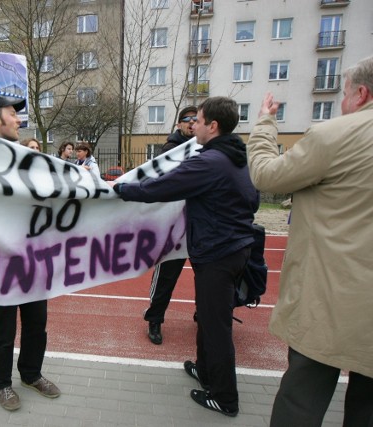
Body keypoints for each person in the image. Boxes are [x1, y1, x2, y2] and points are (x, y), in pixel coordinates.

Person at [109, 97, 258, 417]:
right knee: (207, 317)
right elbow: (253, 199)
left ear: (213, 126)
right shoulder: (235, 157)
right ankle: (205, 372)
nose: (194, 126)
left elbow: (161, 188)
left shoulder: (211, 162)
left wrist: (122, 189)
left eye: (199, 121)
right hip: (230, 249)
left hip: (219, 253)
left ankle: (224, 397)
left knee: (216, 326)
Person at [247, 56, 373, 427]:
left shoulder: (338, 134)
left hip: (333, 292)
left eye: (346, 94)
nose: (343, 103)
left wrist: (265, 123)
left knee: (302, 396)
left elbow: (267, 175)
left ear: (362, 94)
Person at [0, 95, 61, 411]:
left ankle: (31, 374)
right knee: (3, 327)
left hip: (33, 258)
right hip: (0, 263)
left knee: (37, 321)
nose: (18, 119)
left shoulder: (26, 160)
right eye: (12, 113)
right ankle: (1, 384)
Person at [145, 105, 197, 345]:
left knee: (208, 277)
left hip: (200, 226)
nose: (192, 123)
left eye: (197, 119)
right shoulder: (170, 150)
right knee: (166, 277)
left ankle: (203, 313)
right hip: (175, 228)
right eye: (187, 119)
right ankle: (155, 319)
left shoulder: (207, 150)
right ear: (179, 124)